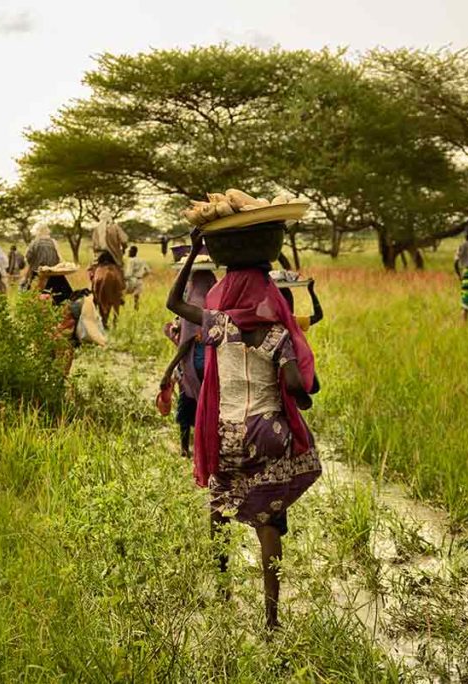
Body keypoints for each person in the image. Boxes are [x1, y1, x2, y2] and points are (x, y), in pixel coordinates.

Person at [166, 229, 320, 631]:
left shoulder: (219, 326)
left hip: (225, 430)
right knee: (270, 519)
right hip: (267, 432)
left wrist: (194, 254)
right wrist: (302, 399)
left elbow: (174, 303)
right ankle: (271, 619)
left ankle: (221, 591)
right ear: (266, 294)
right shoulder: (277, 334)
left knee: (219, 506)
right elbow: (293, 386)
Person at [161, 268, 217, 459]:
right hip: (213, 366)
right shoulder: (216, 305)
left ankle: (185, 448)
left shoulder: (192, 305)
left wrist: (168, 371)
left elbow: (186, 343)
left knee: (186, 406)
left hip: (192, 365)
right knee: (211, 407)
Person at [23, 224, 62, 289]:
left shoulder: (34, 243)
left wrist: (32, 264)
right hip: (52, 273)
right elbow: (59, 258)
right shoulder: (54, 242)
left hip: (37, 272)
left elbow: (28, 257)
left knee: (30, 290)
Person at [124, 245, 152, 310]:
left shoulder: (131, 260)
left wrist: (124, 278)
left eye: (129, 251)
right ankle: (136, 308)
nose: (128, 253)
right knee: (136, 297)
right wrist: (142, 276)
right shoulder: (141, 260)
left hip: (131, 280)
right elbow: (148, 271)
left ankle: (123, 305)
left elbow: (129, 273)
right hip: (140, 280)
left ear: (133, 252)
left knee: (122, 293)